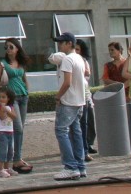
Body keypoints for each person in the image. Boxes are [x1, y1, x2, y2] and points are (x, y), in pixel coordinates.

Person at [0, 38, 32, 173]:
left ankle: (17, 158)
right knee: (18, 128)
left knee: (20, 129)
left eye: (11, 47)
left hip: (23, 97)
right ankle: (16, 159)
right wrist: (2, 100)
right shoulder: (2, 64)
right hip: (12, 99)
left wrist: (27, 90)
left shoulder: (21, 63)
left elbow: (24, 78)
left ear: (17, 49)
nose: (8, 50)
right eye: (6, 47)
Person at [52, 32, 87, 181]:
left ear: (69, 43)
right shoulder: (79, 58)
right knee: (76, 133)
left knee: (61, 131)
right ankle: (80, 166)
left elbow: (67, 82)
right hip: (79, 101)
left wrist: (58, 96)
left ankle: (70, 167)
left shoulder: (67, 60)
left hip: (68, 102)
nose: (59, 45)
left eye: (62, 42)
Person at [74, 39, 97, 159]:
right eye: (75, 49)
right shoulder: (70, 61)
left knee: (89, 122)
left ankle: (88, 144)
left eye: (78, 49)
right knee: (80, 123)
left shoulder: (83, 61)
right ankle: (82, 148)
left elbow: (87, 74)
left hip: (85, 94)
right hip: (76, 96)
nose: (76, 52)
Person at [0, 86, 18, 178]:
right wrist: (3, 109)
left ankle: (7, 168)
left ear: (8, 98)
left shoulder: (11, 107)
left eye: (3, 97)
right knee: (2, 150)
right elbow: (1, 117)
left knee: (10, 151)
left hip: (10, 131)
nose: (1, 99)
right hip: (1, 132)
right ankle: (1, 169)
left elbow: (14, 117)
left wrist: (7, 110)